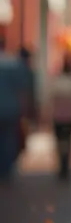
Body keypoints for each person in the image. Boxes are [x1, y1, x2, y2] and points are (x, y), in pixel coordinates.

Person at [0, 36, 28, 182]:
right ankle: (7, 169)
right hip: (11, 108)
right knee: (9, 140)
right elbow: (22, 89)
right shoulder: (14, 63)